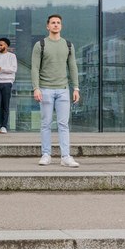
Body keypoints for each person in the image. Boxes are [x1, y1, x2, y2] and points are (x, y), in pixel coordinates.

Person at [31, 14, 80, 167]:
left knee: (63, 124)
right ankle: (46, 154)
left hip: (63, 89)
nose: (56, 25)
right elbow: (35, 68)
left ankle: (66, 157)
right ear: (48, 26)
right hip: (45, 89)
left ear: (61, 26)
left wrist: (76, 88)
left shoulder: (68, 45)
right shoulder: (40, 45)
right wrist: (36, 88)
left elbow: (73, 67)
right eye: (53, 23)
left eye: (58, 22)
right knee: (46, 123)